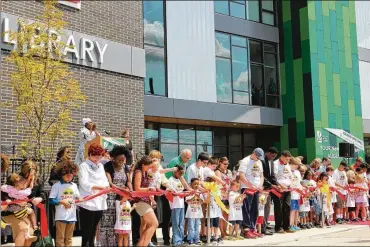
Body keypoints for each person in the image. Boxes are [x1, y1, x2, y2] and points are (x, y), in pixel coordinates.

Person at [2, 160, 46, 247]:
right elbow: (4, 194)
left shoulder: (37, 182)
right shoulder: (15, 179)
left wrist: (39, 198)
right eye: (28, 174)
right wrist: (16, 202)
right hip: (11, 212)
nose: (30, 176)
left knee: (30, 233)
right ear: (23, 172)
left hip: (25, 212)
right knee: (23, 229)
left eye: (32, 174)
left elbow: (43, 195)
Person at [97, 145, 132, 247]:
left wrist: (130, 190)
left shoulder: (126, 167)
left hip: (122, 199)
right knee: (110, 223)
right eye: (119, 160)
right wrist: (122, 189)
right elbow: (110, 183)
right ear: (114, 158)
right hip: (110, 199)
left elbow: (129, 181)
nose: (121, 162)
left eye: (123, 160)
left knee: (121, 222)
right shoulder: (108, 166)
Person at [78, 143, 110, 247]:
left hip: (99, 200)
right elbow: (84, 183)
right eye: (95, 156)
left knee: (94, 227)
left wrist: (106, 187)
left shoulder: (100, 165)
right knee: (87, 228)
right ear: (90, 154)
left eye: (99, 156)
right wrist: (100, 188)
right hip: (88, 200)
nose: (97, 158)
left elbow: (104, 180)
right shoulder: (83, 166)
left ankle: (92, 244)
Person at [49, 160, 82, 247]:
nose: (69, 176)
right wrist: (62, 202)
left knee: (69, 238)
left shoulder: (74, 186)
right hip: (60, 216)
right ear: (61, 174)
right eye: (66, 174)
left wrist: (80, 199)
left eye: (71, 174)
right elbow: (51, 200)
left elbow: (78, 197)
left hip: (72, 217)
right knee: (60, 238)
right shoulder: (56, 186)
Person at [238, 148, 264, 239]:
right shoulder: (245, 161)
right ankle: (246, 229)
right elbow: (241, 175)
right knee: (246, 209)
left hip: (256, 189)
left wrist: (260, 185)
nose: (259, 159)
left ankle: (253, 229)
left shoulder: (259, 162)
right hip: (247, 188)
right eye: (258, 156)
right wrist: (249, 185)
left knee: (255, 209)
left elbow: (261, 175)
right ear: (254, 153)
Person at [132, 155, 158, 247]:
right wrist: (149, 189)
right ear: (143, 165)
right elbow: (137, 188)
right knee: (154, 224)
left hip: (145, 201)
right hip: (140, 201)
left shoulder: (144, 172)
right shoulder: (139, 172)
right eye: (149, 166)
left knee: (145, 226)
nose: (150, 168)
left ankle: (142, 243)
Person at [1, 174, 37, 239]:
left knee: (27, 222)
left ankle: (28, 234)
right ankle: (35, 226)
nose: (25, 185)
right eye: (23, 184)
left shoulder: (12, 191)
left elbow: (3, 188)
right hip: (21, 209)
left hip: (16, 211)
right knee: (31, 214)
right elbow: (31, 187)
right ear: (18, 185)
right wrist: (32, 179)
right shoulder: (23, 191)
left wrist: (8, 200)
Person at [273, 150, 293, 233]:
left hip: (287, 189)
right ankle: (278, 227)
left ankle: (286, 226)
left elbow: (290, 176)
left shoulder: (287, 164)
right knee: (279, 208)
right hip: (279, 189)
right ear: (282, 156)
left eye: (288, 159)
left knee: (287, 207)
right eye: (286, 159)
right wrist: (280, 186)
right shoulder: (275, 164)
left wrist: (291, 184)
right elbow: (273, 177)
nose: (287, 161)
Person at [167, 165, 187, 247]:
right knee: (176, 223)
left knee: (181, 223)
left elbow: (184, 189)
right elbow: (168, 192)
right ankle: (176, 240)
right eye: (180, 173)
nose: (181, 174)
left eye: (182, 173)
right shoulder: (170, 180)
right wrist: (176, 194)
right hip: (175, 205)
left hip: (181, 204)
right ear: (175, 171)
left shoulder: (181, 179)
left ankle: (181, 239)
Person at [261, 147, 278, 235]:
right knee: (262, 208)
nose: (273, 158)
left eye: (275, 157)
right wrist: (271, 185)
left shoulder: (271, 162)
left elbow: (272, 175)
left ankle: (265, 224)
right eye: (272, 156)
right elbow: (262, 176)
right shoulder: (261, 160)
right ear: (268, 153)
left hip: (269, 188)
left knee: (267, 207)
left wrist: (277, 184)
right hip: (262, 188)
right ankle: (262, 228)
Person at [185, 178, 207, 246]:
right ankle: (190, 239)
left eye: (197, 184)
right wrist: (194, 196)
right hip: (191, 213)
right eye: (195, 184)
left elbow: (202, 201)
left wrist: (198, 197)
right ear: (191, 184)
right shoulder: (189, 192)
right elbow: (187, 201)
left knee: (197, 226)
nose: (196, 185)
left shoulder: (199, 193)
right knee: (191, 226)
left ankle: (196, 239)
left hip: (198, 213)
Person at [214, 157, 232, 239]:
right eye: (224, 164)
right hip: (221, 195)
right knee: (221, 214)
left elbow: (231, 182)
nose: (226, 165)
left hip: (228, 195)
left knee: (226, 214)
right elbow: (218, 183)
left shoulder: (229, 172)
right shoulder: (217, 172)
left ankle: (225, 230)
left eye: (227, 164)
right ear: (220, 163)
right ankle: (222, 232)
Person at [289, 157, 303, 232]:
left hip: (297, 194)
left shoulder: (297, 172)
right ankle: (290, 225)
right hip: (291, 194)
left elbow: (299, 182)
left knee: (296, 210)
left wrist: (301, 189)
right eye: (296, 165)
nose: (297, 166)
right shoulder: (289, 171)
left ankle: (294, 224)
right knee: (292, 210)